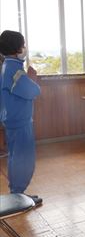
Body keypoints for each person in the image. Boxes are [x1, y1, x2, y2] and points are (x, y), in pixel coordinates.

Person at [0, 30, 42, 205]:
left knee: (15, 155)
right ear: (17, 47)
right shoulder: (14, 69)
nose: (24, 47)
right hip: (19, 120)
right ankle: (18, 194)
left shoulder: (6, 65)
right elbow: (32, 91)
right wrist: (32, 78)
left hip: (11, 118)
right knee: (24, 158)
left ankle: (16, 193)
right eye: (23, 44)